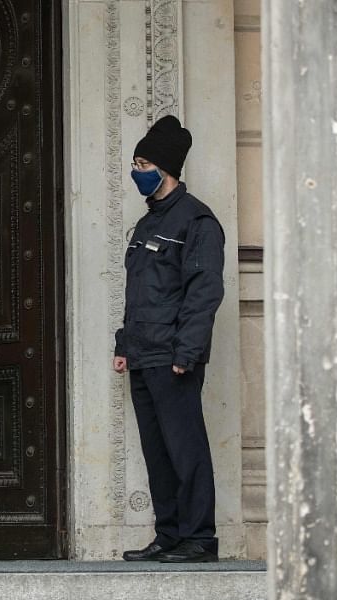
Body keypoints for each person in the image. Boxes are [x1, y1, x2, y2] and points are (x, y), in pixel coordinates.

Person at [113, 115, 225, 563]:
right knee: (158, 453)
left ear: (165, 167)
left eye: (142, 162)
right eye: (135, 161)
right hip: (143, 354)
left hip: (174, 356)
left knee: (186, 447)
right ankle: (170, 534)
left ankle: (200, 538)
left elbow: (205, 291)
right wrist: (124, 345)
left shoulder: (197, 220)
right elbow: (139, 292)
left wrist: (187, 352)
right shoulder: (146, 226)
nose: (136, 170)